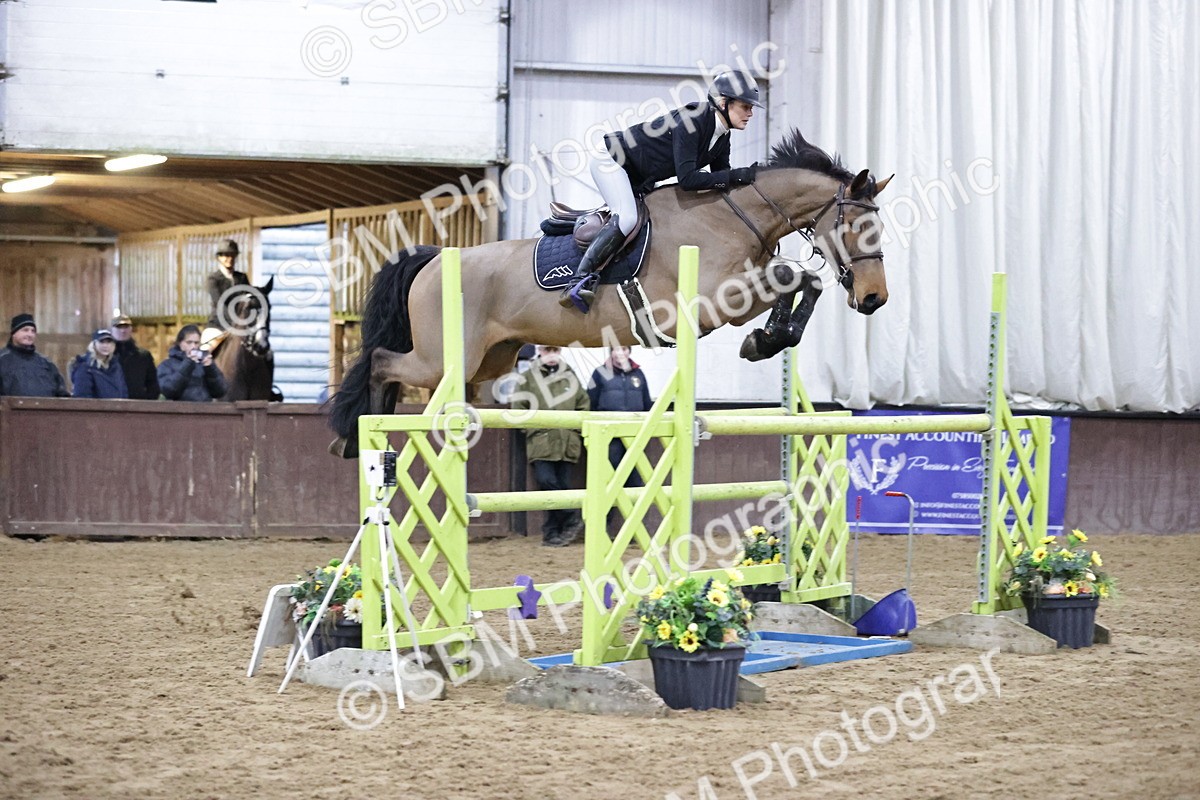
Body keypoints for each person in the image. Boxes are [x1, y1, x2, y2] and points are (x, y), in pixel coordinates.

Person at [559, 70, 764, 312]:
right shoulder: (693, 121)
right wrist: (735, 176)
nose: (750, 113)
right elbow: (688, 179)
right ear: (722, 102)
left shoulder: (722, 136)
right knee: (627, 218)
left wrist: (748, 185)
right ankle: (578, 280)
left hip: (639, 176)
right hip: (612, 161)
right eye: (745, 106)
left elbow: (721, 182)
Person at [510, 345, 590, 546]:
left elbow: (583, 404)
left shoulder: (571, 376)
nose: (552, 355)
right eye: (548, 351)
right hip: (541, 442)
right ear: (540, 352)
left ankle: (554, 533)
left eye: (556, 351)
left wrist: (574, 430)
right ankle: (571, 517)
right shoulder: (527, 377)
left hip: (567, 443)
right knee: (547, 482)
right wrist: (532, 430)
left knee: (562, 486)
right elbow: (518, 407)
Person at [587, 346, 653, 535]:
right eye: (616, 349)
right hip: (610, 438)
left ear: (629, 351)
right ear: (611, 353)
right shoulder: (599, 374)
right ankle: (600, 530)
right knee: (607, 482)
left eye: (623, 349)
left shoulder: (639, 374)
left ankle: (633, 531)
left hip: (635, 438)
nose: (620, 353)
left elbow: (646, 403)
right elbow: (590, 402)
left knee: (634, 483)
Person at [0, 313, 69, 398]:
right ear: (13, 333)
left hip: (45, 410)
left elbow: (62, 393)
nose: (30, 334)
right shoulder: (2, 360)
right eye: (25, 330)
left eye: (33, 331)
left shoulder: (47, 363)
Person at [201, 239, 250, 351]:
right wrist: (234, 322)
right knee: (205, 352)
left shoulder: (242, 278)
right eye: (226, 255)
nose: (230, 259)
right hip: (218, 326)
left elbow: (248, 299)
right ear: (219, 258)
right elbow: (219, 304)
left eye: (232, 255)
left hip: (241, 327)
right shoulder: (213, 279)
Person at [158, 324, 228, 402]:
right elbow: (168, 391)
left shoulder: (204, 364)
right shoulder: (167, 365)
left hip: (204, 411)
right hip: (178, 411)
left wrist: (210, 369)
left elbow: (220, 391)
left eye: (196, 343)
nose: (193, 346)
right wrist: (188, 364)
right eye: (189, 342)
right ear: (180, 343)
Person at [109, 314, 160, 399]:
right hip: (110, 406)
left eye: (126, 327)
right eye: (119, 327)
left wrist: (146, 403)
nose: (123, 331)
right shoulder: (105, 357)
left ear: (131, 329)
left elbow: (153, 384)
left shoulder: (144, 357)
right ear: (112, 330)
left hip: (138, 406)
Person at [71, 329, 129, 399]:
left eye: (109, 342)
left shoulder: (116, 366)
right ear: (94, 344)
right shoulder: (85, 367)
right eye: (101, 342)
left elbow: (123, 391)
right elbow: (82, 397)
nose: (105, 346)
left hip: (117, 408)